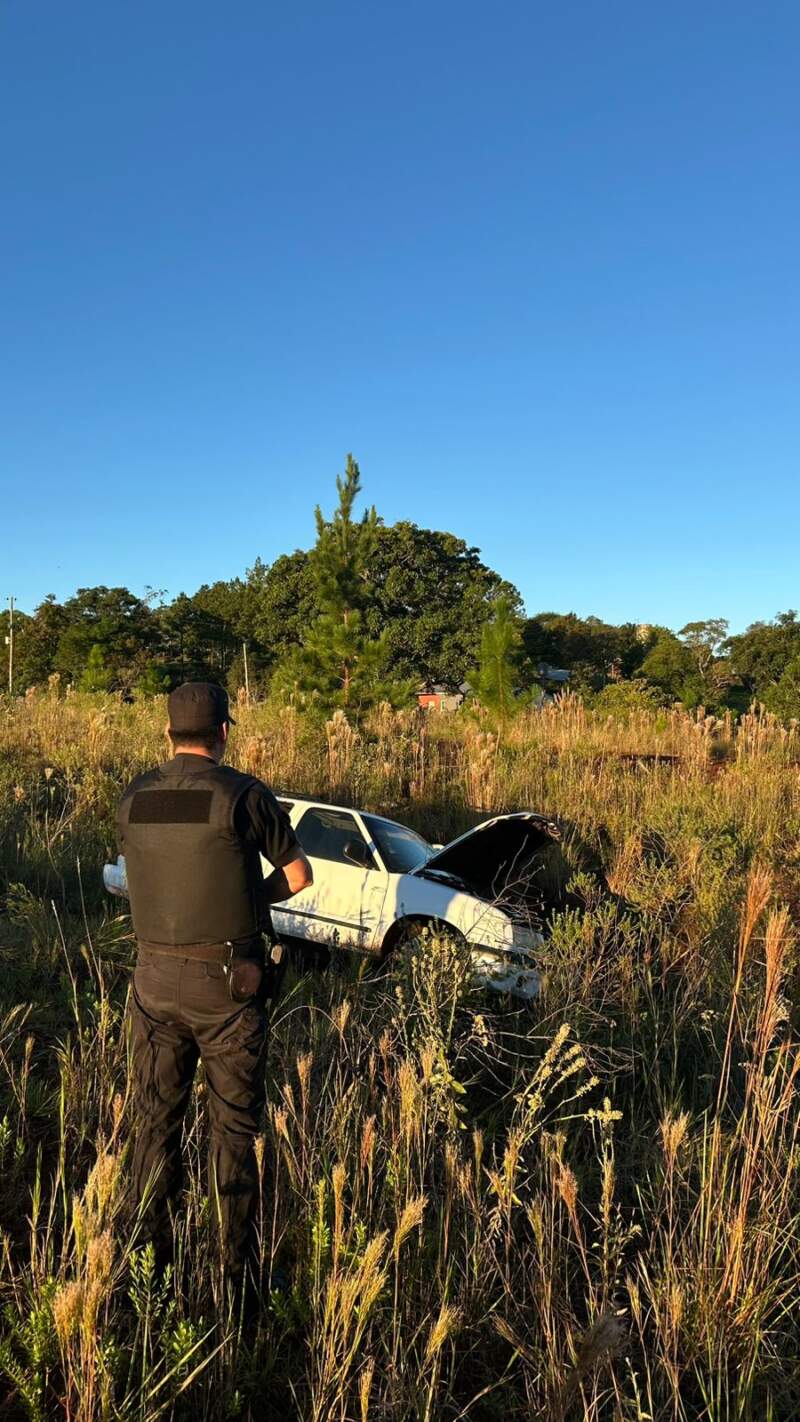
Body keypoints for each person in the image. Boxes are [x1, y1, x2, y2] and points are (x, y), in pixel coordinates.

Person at [117, 681, 312, 1288]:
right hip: (229, 989)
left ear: (167, 732)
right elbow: (299, 876)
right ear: (225, 732)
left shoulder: (133, 798)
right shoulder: (245, 796)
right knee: (233, 1130)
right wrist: (250, 898)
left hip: (151, 982)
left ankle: (149, 1271)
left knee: (154, 1125)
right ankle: (236, 1282)